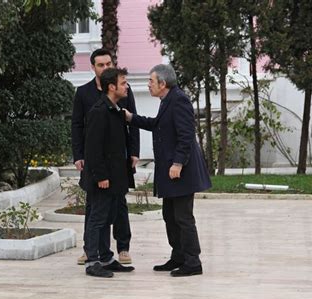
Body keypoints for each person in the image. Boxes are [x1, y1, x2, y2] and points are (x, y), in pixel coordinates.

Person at [123, 64, 212, 277]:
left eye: (151, 81)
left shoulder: (179, 100)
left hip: (181, 171)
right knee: (169, 215)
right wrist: (131, 118)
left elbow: (186, 135)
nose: (148, 85)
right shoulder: (167, 100)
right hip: (171, 171)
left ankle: (193, 262)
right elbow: (157, 124)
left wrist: (178, 163)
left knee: (183, 217)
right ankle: (178, 256)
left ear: (163, 83)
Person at [72, 48, 139, 265]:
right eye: (100, 65)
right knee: (96, 211)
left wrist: (134, 153)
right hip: (100, 168)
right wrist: (81, 157)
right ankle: (92, 254)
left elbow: (132, 123)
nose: (105, 67)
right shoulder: (89, 99)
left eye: (108, 63)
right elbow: (82, 131)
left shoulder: (121, 97)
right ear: (93, 67)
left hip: (117, 164)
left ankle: (116, 250)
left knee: (116, 207)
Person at [82, 67, 136, 277]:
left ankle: (105, 258)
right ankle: (92, 261)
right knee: (97, 218)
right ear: (111, 87)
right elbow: (93, 149)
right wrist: (101, 176)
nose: (127, 87)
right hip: (102, 179)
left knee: (108, 217)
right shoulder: (98, 111)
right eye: (123, 83)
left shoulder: (116, 110)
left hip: (115, 178)